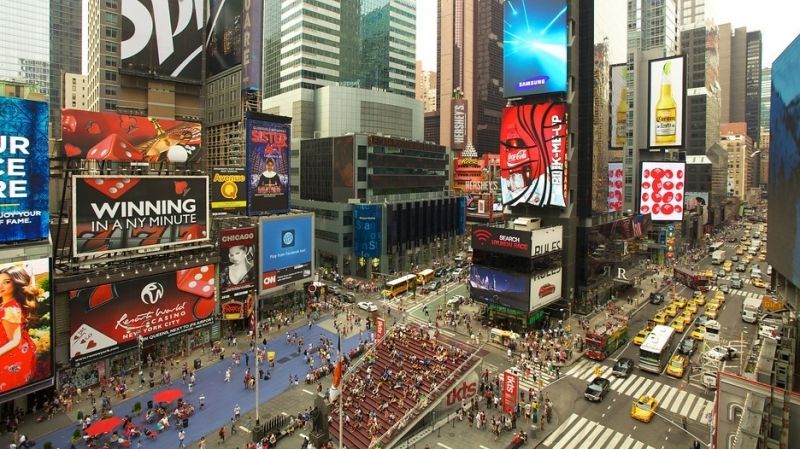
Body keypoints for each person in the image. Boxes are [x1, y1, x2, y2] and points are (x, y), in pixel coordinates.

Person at [0, 265, 41, 394]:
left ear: (16, 284)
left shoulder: (10, 308)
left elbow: (15, 340)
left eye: (7, 282)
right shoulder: (9, 303)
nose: (1, 286)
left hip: (11, 355)